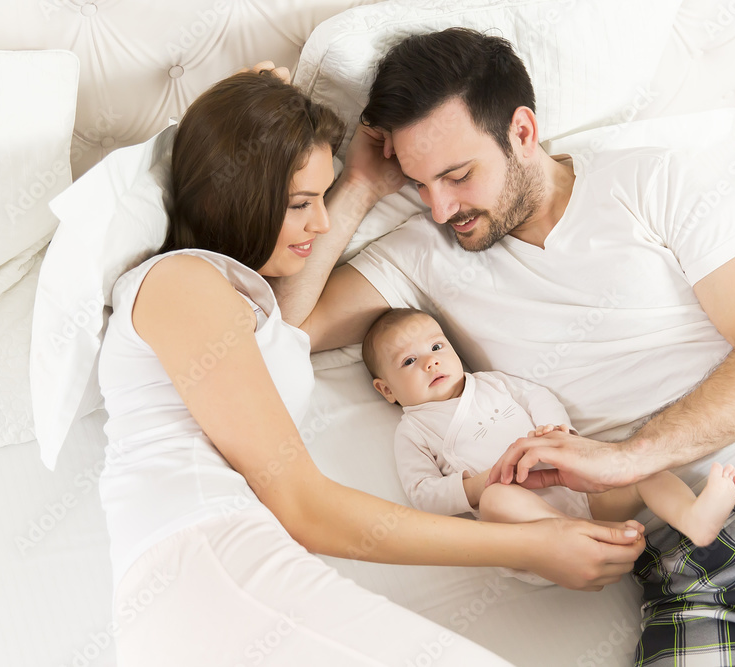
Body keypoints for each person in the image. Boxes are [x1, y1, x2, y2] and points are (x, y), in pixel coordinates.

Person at [270, 27, 735, 665]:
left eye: (457, 175)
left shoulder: (652, 181)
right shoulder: (421, 254)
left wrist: (629, 457)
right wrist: (363, 186)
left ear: (522, 132)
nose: (440, 207)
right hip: (690, 564)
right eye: (419, 184)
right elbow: (284, 327)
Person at [95, 64, 643, 667]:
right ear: (238, 192)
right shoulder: (182, 283)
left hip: (226, 572)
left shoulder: (246, 307)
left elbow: (291, 322)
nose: (321, 222)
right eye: (302, 203)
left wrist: (354, 179)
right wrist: (527, 544)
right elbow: (306, 506)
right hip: (209, 567)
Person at [363, 307, 735, 569]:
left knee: (636, 466)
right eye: (409, 361)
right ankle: (588, 536)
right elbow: (422, 493)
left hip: (579, 491)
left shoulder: (492, 383)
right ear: (386, 390)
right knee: (498, 498)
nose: (430, 361)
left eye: (436, 347)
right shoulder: (413, 430)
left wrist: (558, 433)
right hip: (529, 530)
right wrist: (478, 486)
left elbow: (539, 397)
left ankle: (693, 517)